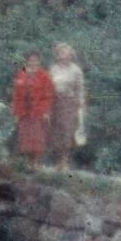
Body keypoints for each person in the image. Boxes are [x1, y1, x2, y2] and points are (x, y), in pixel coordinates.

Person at [11, 50, 55, 165]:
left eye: (36, 60)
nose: (33, 62)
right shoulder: (21, 73)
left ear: (39, 61)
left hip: (38, 111)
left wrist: (46, 111)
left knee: (38, 138)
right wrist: (16, 112)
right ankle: (28, 162)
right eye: (31, 60)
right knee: (25, 138)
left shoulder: (45, 75)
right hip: (24, 111)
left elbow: (49, 96)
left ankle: (36, 162)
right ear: (27, 61)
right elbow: (17, 95)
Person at [48, 42, 87, 171]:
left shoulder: (76, 70)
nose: (62, 55)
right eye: (60, 53)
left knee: (67, 131)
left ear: (70, 54)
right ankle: (58, 161)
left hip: (69, 103)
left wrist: (81, 104)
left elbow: (80, 89)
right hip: (55, 103)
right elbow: (47, 87)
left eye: (64, 52)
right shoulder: (53, 69)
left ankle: (65, 161)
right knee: (56, 132)